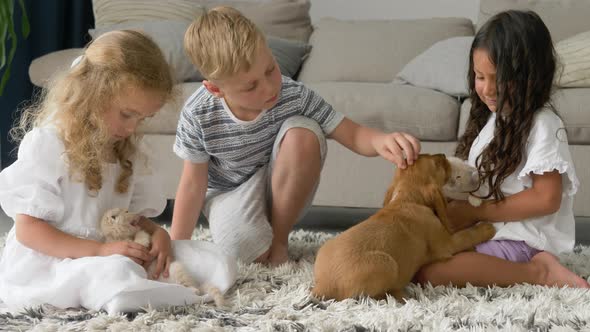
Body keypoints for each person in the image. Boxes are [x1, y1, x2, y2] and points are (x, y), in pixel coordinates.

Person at [0, 30, 237, 314]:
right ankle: (140, 292)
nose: (132, 128)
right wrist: (99, 252)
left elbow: (132, 221)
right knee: (116, 272)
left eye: (142, 118)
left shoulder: (123, 150)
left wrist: (157, 233)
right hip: (56, 260)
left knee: (216, 259)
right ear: (92, 96)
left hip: (113, 252)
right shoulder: (48, 145)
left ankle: (149, 288)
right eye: (127, 114)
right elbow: (29, 231)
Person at [171, 6, 421, 266]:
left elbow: (352, 133)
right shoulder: (197, 113)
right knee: (246, 255)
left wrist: (382, 141)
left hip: (280, 180)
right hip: (228, 190)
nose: (269, 88)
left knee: (303, 131)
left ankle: (280, 239)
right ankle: (257, 236)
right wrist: (176, 249)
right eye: (251, 86)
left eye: (270, 69)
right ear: (215, 89)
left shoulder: (293, 95)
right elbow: (192, 184)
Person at [415, 10, 590, 288]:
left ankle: (539, 271)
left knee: (429, 271)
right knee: (408, 250)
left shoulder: (543, 123)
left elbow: (546, 199)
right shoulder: (494, 120)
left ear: (532, 76)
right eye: (479, 76)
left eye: (499, 78)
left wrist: (476, 212)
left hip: (522, 239)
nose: (487, 89)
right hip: (488, 228)